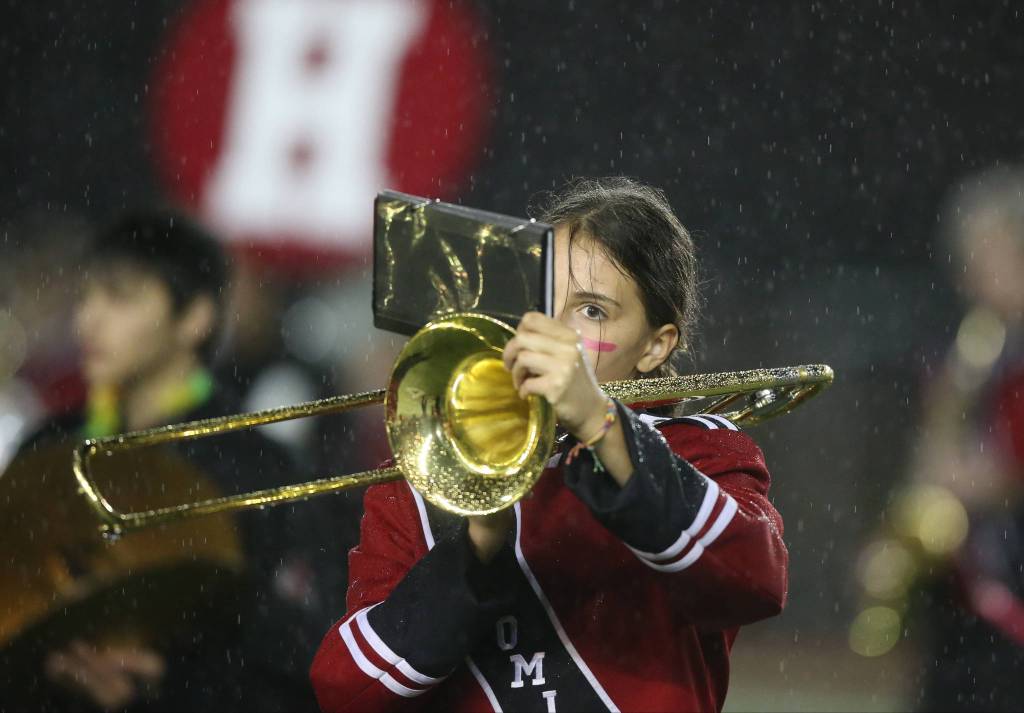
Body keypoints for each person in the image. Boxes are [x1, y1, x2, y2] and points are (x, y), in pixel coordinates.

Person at [310, 177, 788, 712]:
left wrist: (600, 423)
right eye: (540, 302)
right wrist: (476, 547)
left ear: (655, 346)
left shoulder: (703, 451)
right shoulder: (426, 472)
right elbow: (343, 689)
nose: (551, 334)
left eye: (592, 311)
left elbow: (756, 580)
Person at [6, 210, 345, 711]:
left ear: (194, 319)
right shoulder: (49, 444)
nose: (88, 320)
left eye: (119, 297)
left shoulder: (257, 469)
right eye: (85, 297)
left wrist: (168, 679)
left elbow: (301, 657)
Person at [900, 166, 1024, 711]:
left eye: (987, 257)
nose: (971, 279)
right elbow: (935, 455)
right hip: (968, 593)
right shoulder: (975, 351)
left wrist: (975, 480)